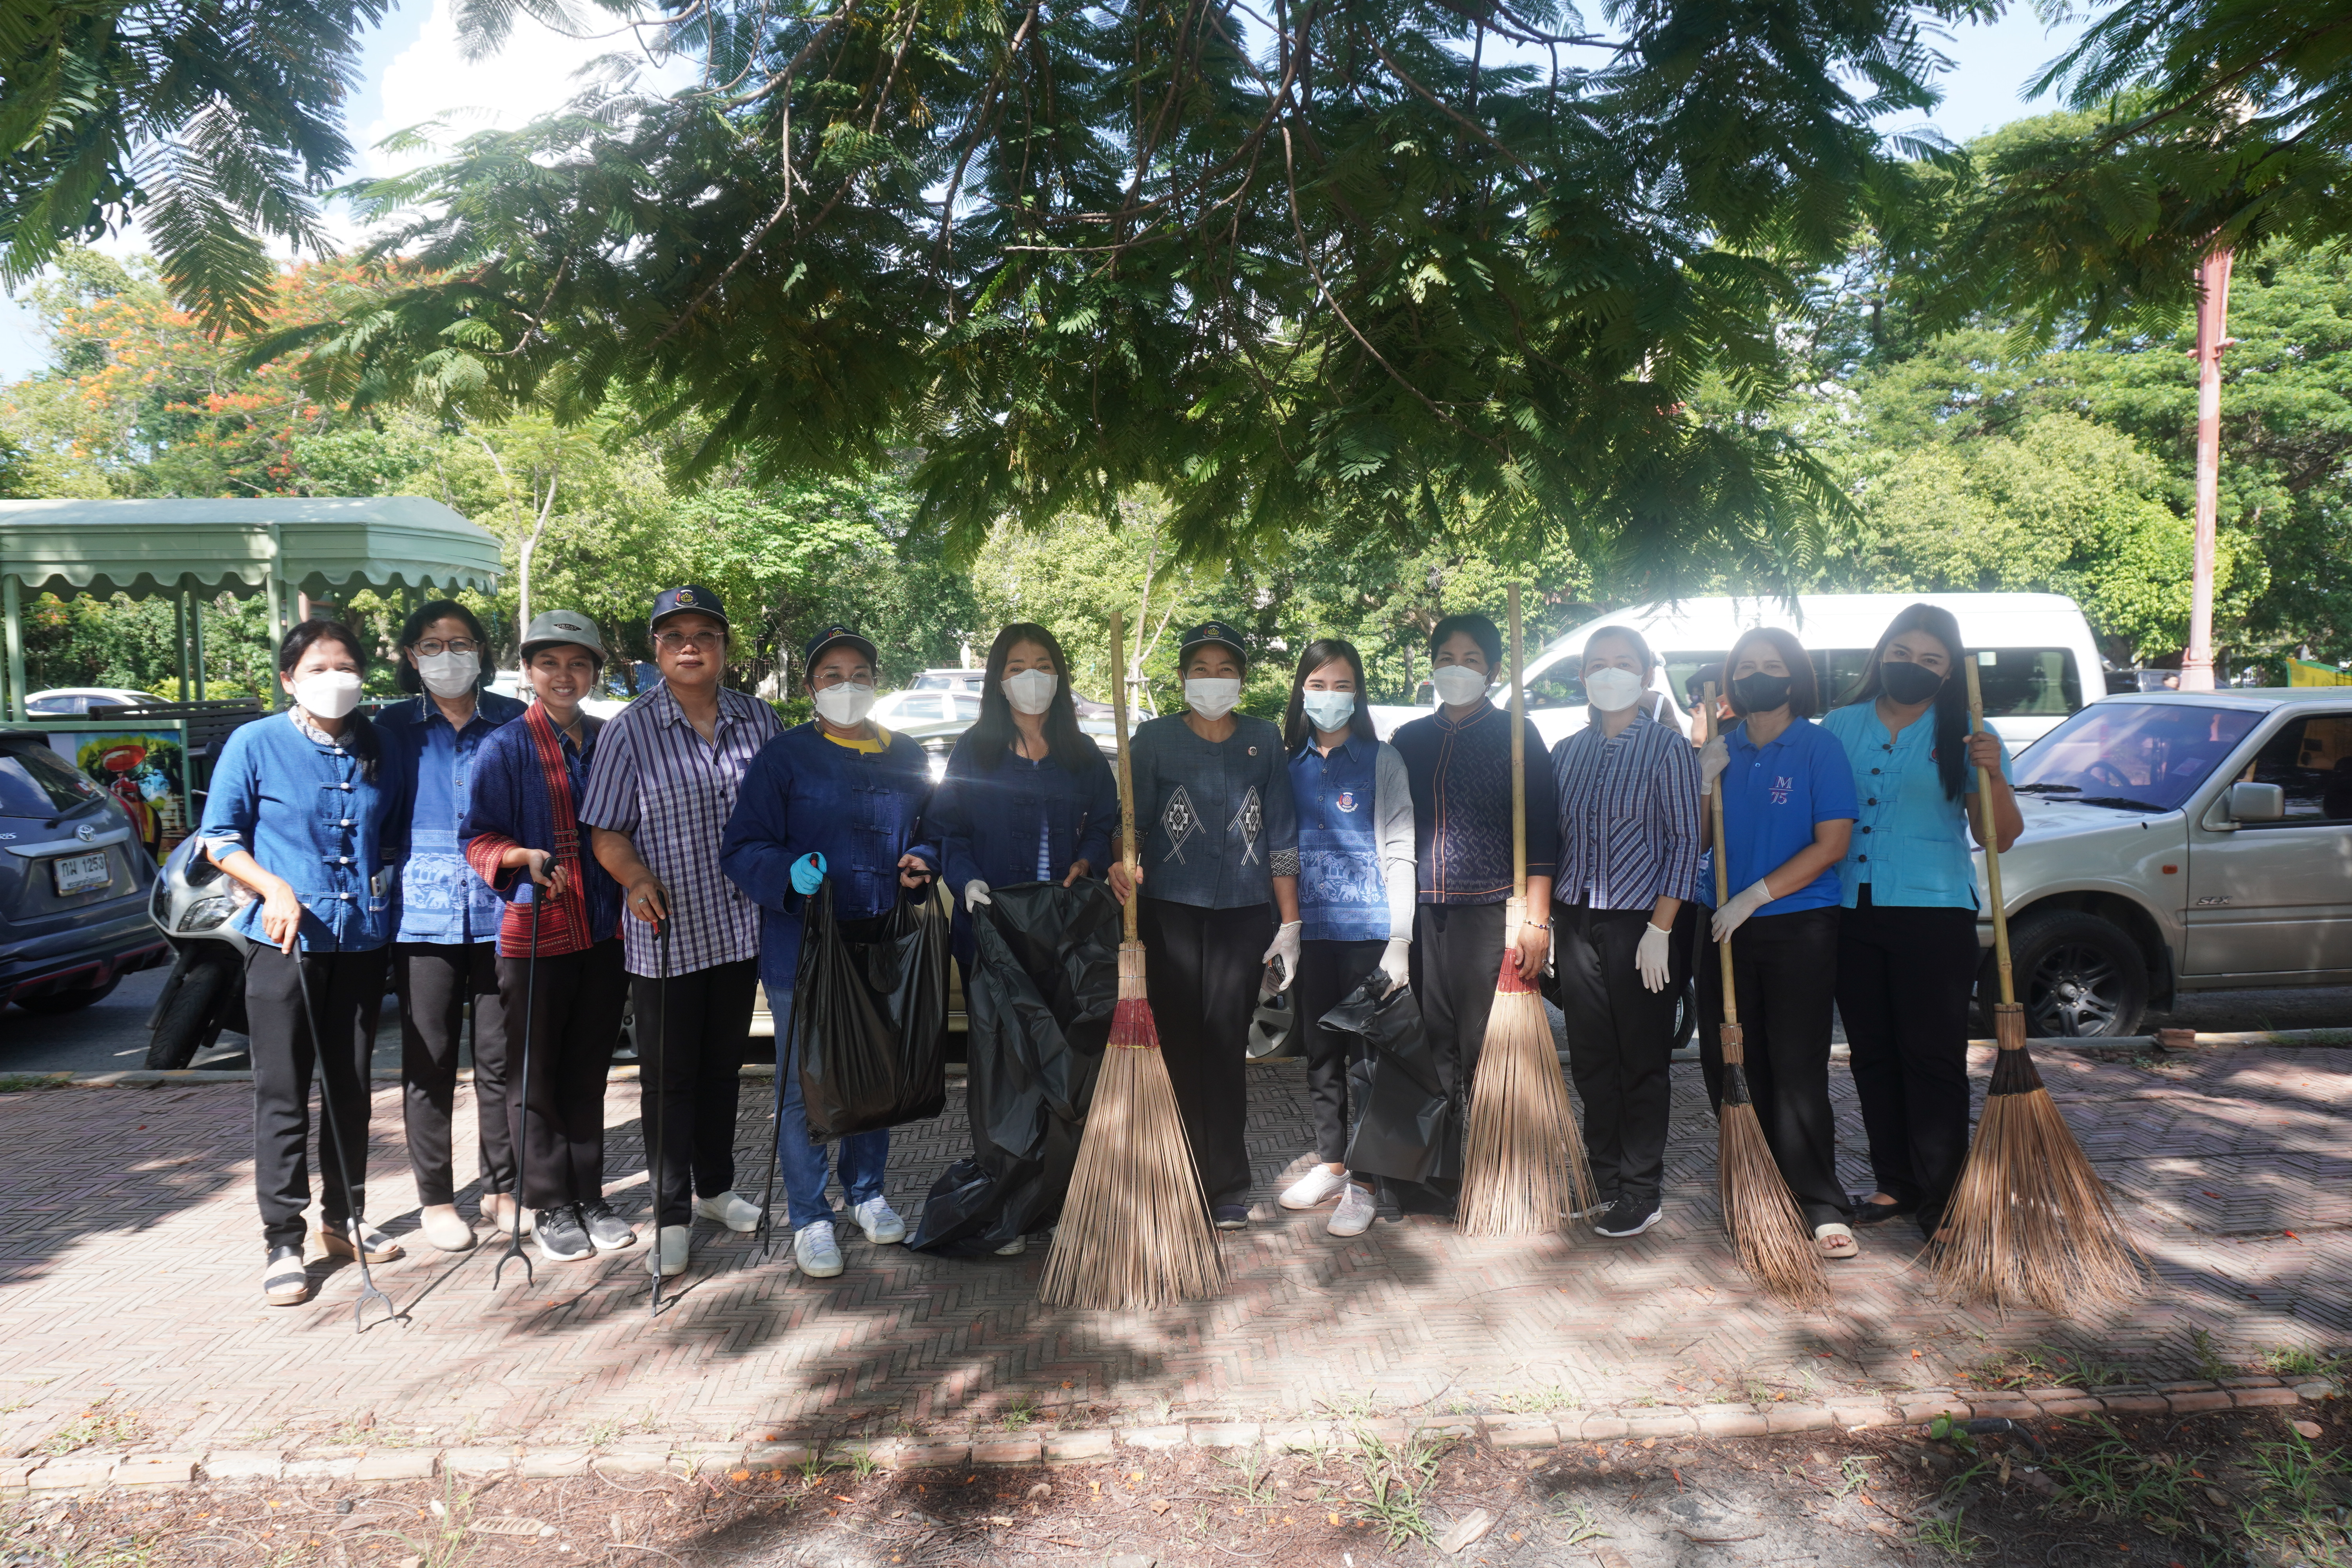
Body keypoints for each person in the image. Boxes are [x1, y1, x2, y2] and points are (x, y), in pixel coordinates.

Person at [719, 624, 938, 1279]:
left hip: (882, 942)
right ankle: (811, 1215)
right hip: (805, 948)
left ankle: (866, 1193)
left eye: (860, 674)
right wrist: (788, 873)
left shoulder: (907, 754)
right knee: (802, 1085)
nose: (848, 686)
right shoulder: (785, 757)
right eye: (832, 675)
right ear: (811, 686)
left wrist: (923, 860)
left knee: (877, 1073)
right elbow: (742, 846)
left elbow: (934, 830)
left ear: (877, 680)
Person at [581, 586, 784, 1280]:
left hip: (740, 927)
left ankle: (714, 1189)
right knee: (669, 1079)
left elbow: (784, 812)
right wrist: (634, 877)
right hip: (666, 929)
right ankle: (669, 1212)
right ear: (656, 651)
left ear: (725, 647)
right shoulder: (627, 730)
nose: (690, 646)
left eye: (705, 634)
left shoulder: (760, 721)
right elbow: (605, 830)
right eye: (674, 637)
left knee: (724, 1068)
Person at [200, 621, 403, 1308]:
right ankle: (282, 1238)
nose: (335, 677)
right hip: (284, 944)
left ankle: (344, 1219)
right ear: (289, 678)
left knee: (351, 1091)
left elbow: (392, 835)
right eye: (318, 667)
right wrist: (274, 885)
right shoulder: (254, 743)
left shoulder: (380, 744)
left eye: (347, 666)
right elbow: (219, 838)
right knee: (283, 1095)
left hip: (360, 942)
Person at [1819, 603, 2021, 1245]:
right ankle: (1895, 1182)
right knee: (1872, 1053)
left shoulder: (1968, 733)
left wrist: (1991, 774)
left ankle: (1943, 1195)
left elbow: (2001, 838)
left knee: (1931, 1057)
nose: (1913, 666)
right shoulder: (1840, 726)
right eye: (1902, 653)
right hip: (1850, 908)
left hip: (1934, 914)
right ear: (1882, 654)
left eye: (1931, 659)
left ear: (1949, 672)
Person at [924, 622, 1119, 1256]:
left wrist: (1087, 861)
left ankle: (1058, 1198)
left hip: (1063, 935)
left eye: (1042, 664)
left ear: (1059, 676)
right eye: (1015, 666)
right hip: (994, 930)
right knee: (1005, 1074)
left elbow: (1107, 822)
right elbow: (948, 829)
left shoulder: (1082, 754)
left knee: (1064, 1071)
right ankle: (1008, 1202)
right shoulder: (974, 751)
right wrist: (966, 880)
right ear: (998, 679)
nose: (1030, 676)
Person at [1107, 620, 1301, 1230]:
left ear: (1242, 680)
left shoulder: (1264, 740)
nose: (1212, 680)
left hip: (1244, 916)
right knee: (1179, 1044)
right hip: (1170, 913)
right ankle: (1178, 1172)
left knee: (1224, 1043)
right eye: (1200, 670)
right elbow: (1130, 824)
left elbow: (1281, 835)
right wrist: (1124, 861)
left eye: (1225, 670)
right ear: (1183, 678)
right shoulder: (1154, 740)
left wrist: (1289, 923)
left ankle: (1226, 1185)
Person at [462, 610, 635, 1264]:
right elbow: (477, 837)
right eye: (550, 663)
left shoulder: (612, 738)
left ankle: (590, 1194)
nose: (565, 675)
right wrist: (520, 857)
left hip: (607, 928)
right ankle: (549, 1203)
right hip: (537, 934)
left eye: (579, 663)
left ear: (593, 671)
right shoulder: (504, 747)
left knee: (590, 1071)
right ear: (529, 671)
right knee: (534, 1074)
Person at [1691, 626, 1859, 1257]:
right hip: (1721, 926)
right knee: (1730, 1060)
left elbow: (1832, 843)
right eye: (1746, 666)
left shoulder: (1818, 748)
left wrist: (1756, 896)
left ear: (1793, 678)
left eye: (1772, 666)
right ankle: (1756, 1186)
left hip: (1796, 925)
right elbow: (1700, 843)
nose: (1758, 675)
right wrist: (1703, 782)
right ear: (1730, 681)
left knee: (1795, 1065)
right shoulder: (1722, 750)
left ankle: (1819, 1200)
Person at [374, 599, 527, 1254]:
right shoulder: (388, 727)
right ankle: (436, 1199)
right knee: (429, 1061)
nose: (447, 656)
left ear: (482, 652)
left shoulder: (516, 721)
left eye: (460, 643)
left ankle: (501, 1186)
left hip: (502, 912)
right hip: (422, 921)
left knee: (500, 1060)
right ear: (412, 657)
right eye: (432, 646)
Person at [1389, 612, 1557, 1201]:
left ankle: (1501, 1170)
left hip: (1491, 910)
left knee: (1485, 1042)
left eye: (1471, 659)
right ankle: (1441, 1175)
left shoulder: (1518, 735)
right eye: (1446, 658)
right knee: (1430, 1041)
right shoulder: (1408, 740)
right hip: (1421, 909)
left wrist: (1537, 919)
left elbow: (1542, 834)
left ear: (1490, 669)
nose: (1456, 669)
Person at [1546, 624, 1700, 1240]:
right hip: (1577, 919)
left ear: (1644, 674)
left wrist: (1663, 928)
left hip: (1644, 923)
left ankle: (1641, 1187)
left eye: (1623, 663)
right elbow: (1551, 841)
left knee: (1642, 1058)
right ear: (1583, 677)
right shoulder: (1567, 752)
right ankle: (1603, 1176)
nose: (1609, 673)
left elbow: (1687, 842)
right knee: (1591, 1057)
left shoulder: (1667, 750)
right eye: (1597, 664)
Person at [1275, 639, 1414, 1239]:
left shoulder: (1381, 760)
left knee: (1367, 1064)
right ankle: (1332, 1165)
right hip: (1313, 937)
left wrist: (1400, 940)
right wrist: (1285, 930)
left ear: (1357, 693)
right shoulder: (1286, 765)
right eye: (1318, 684)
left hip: (1369, 935)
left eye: (1342, 685)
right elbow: (1279, 850)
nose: (1330, 696)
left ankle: (1366, 1183)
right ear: (1301, 691)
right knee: (1321, 1058)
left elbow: (1401, 848)